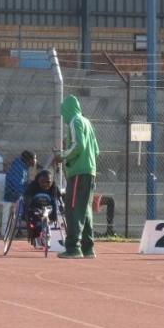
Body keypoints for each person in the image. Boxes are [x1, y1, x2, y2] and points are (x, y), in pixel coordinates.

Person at [52, 95, 99, 259]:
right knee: (85, 210)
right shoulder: (88, 122)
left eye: (63, 113)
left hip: (78, 173)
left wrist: (63, 156)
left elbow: (79, 145)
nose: (63, 117)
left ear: (68, 110)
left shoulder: (75, 121)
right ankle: (88, 248)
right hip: (90, 171)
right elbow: (96, 150)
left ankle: (73, 248)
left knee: (72, 209)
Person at [22, 169, 60, 247]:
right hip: (34, 207)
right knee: (35, 222)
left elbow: (58, 199)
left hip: (48, 208)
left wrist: (55, 217)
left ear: (52, 181)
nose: (45, 184)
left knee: (55, 206)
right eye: (42, 181)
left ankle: (45, 235)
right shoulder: (33, 186)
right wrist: (28, 223)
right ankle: (33, 235)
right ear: (38, 180)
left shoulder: (54, 187)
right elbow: (27, 201)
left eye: (48, 182)